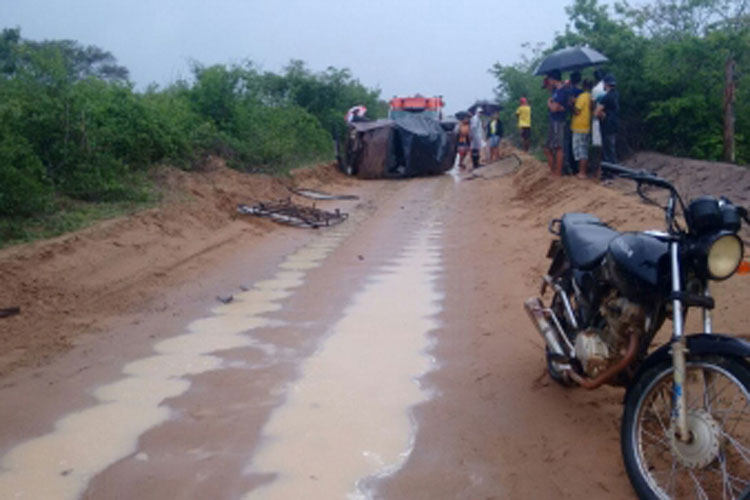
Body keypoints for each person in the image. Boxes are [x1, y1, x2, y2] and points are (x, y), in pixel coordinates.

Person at [543, 69, 566, 176]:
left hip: (558, 121)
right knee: (548, 148)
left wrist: (549, 103)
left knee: (558, 147)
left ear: (552, 79)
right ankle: (553, 171)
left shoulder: (561, 91)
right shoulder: (557, 91)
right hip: (554, 121)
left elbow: (554, 108)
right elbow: (557, 107)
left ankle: (557, 173)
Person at [595, 74, 619, 166]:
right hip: (614, 124)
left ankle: (610, 172)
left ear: (606, 84)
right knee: (611, 148)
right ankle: (614, 170)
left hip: (607, 125)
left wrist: (601, 114)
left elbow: (597, 112)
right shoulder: (616, 95)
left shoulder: (606, 97)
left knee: (607, 150)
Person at [571, 79, 592, 179]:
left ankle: (582, 173)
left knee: (581, 150)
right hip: (586, 125)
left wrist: (571, 104)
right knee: (583, 149)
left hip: (580, 126)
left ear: (583, 86)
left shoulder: (582, 97)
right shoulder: (590, 97)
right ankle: (581, 172)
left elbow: (577, 111)